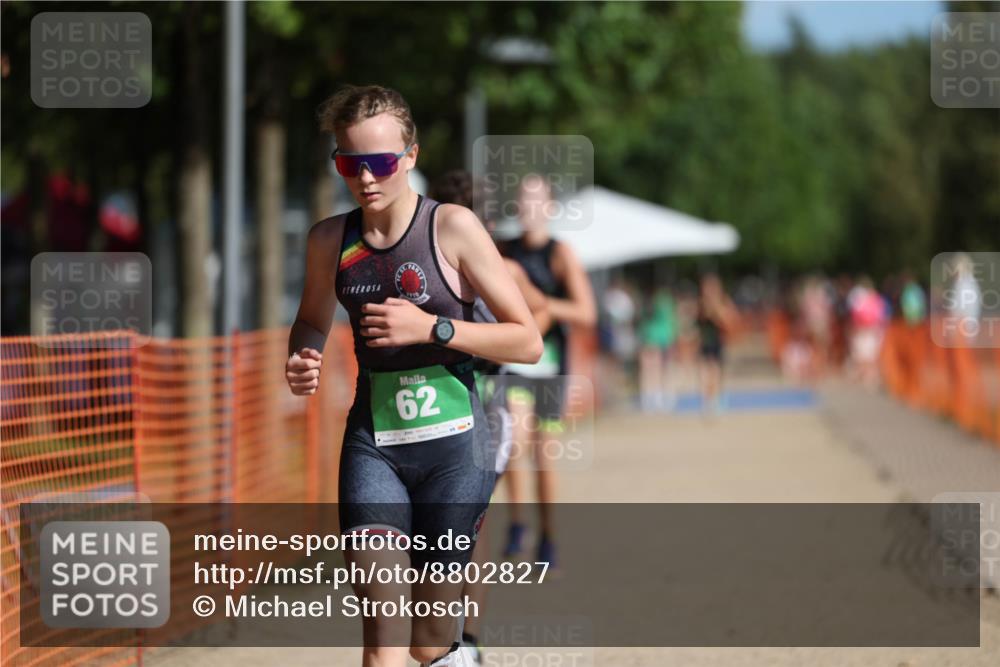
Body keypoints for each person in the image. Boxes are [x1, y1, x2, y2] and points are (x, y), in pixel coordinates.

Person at [285, 85, 542, 667]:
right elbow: (309, 321)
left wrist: (434, 330)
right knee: (383, 644)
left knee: (428, 642)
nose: (365, 178)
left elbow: (527, 339)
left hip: (456, 455)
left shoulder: (451, 228)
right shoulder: (330, 240)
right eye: (350, 163)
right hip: (373, 449)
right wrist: (303, 356)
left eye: (379, 162)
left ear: (410, 157)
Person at [428, 169, 551, 666]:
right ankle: (456, 637)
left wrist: (505, 345)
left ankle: (467, 639)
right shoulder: (428, 263)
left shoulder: (501, 267)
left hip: (491, 393)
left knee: (467, 522)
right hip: (443, 393)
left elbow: (540, 316)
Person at [498, 173, 597, 570]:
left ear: (551, 208)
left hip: (551, 365)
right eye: (522, 199)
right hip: (513, 363)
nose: (528, 207)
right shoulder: (504, 250)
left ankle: (548, 536)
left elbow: (586, 312)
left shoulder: (560, 254)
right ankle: (518, 524)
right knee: (512, 442)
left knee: (544, 457)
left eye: (536, 199)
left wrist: (542, 305)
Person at [696, 273, 739, 415]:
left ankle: (715, 399)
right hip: (704, 342)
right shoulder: (701, 303)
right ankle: (707, 401)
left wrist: (717, 312)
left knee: (715, 372)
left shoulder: (723, 301)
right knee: (704, 372)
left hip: (717, 342)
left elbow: (730, 320)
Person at [637, 286, 678, 411]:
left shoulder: (653, 302)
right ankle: (655, 396)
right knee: (657, 369)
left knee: (654, 369)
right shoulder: (663, 302)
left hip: (657, 338)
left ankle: (655, 396)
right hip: (658, 339)